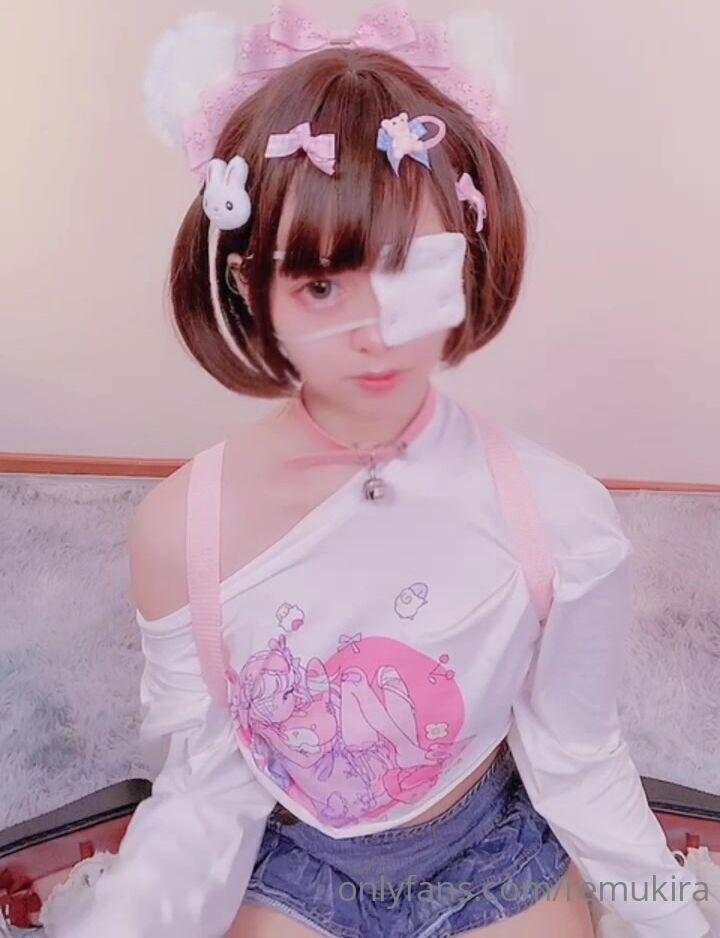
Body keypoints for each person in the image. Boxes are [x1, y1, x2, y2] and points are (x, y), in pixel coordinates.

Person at [42, 4, 712, 937]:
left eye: (410, 270)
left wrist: (675, 919)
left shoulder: (560, 516)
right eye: (322, 283)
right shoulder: (181, 528)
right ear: (249, 286)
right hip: (293, 853)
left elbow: (578, 753)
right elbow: (205, 781)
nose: (376, 330)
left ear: (467, 262)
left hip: (489, 851)